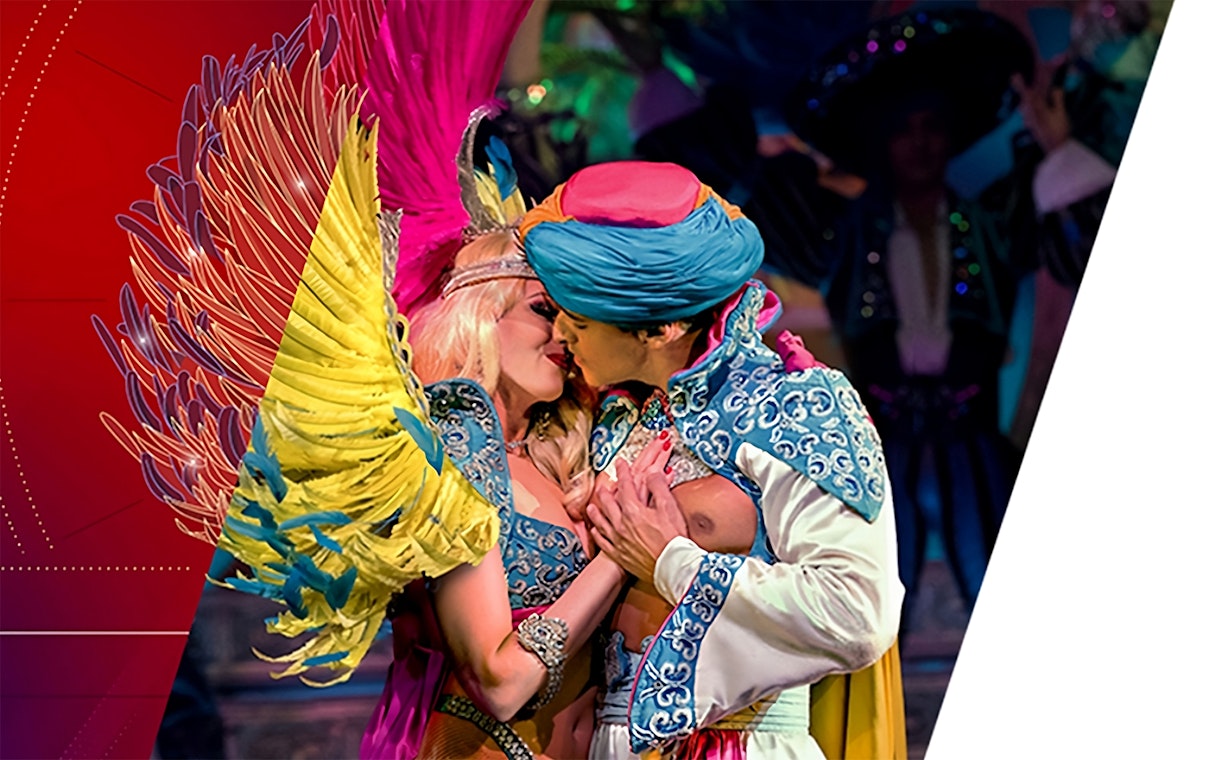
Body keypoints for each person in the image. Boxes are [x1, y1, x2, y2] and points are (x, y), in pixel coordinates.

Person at [519, 160, 903, 758]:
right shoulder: (620, 416)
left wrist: (672, 562)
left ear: (662, 329)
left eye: (583, 321)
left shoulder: (794, 406)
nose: (563, 335)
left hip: (741, 743)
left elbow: (858, 612)